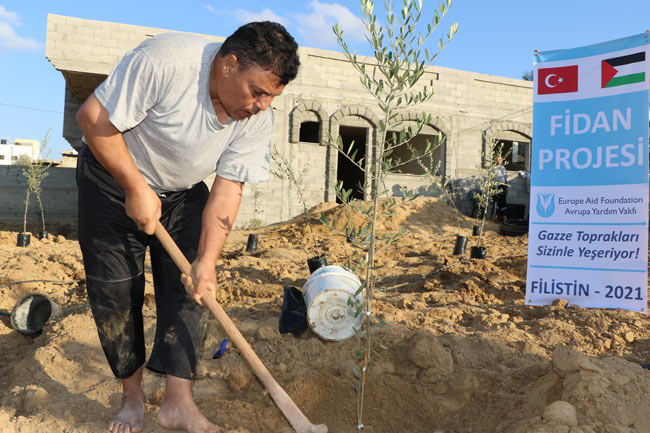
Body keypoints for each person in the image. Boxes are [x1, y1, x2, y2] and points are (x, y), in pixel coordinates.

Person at [75, 22, 299, 433]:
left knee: (193, 288)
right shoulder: (166, 61)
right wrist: (134, 186)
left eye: (272, 96)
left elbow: (228, 189)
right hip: (111, 176)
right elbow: (92, 119)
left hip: (180, 191)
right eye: (258, 92)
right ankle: (132, 397)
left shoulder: (256, 118)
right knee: (116, 289)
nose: (263, 105)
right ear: (229, 64)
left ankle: (178, 404)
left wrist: (207, 261)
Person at [492, 156, 508, 223]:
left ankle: (504, 217)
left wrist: (507, 187)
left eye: (500, 159)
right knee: (496, 202)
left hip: (502, 185)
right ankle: (495, 217)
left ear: (502, 160)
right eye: (497, 159)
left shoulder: (503, 168)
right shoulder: (493, 168)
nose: (499, 160)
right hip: (496, 186)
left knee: (503, 202)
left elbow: (505, 178)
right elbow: (491, 178)